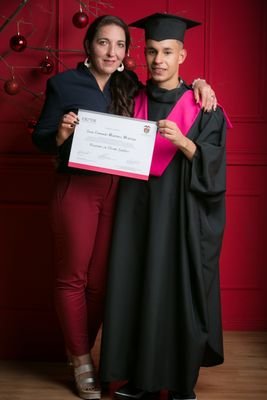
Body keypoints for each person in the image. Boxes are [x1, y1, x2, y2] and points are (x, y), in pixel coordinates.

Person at [32, 14, 217, 400]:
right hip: (98, 196)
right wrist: (62, 132)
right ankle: (85, 361)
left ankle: (102, 355)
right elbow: (43, 138)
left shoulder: (130, 85)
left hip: (131, 198)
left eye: (120, 45)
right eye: (103, 43)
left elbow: (174, 97)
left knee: (102, 283)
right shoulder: (85, 86)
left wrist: (200, 85)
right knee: (86, 279)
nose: (112, 51)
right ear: (90, 45)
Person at [100, 13, 232, 400]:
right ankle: (138, 379)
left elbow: (217, 163)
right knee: (135, 285)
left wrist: (185, 143)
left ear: (182, 56)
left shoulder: (202, 105)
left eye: (168, 52)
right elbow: (94, 76)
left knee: (177, 290)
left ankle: (178, 382)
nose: (158, 59)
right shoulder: (129, 96)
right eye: (153, 51)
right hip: (135, 213)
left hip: (182, 217)